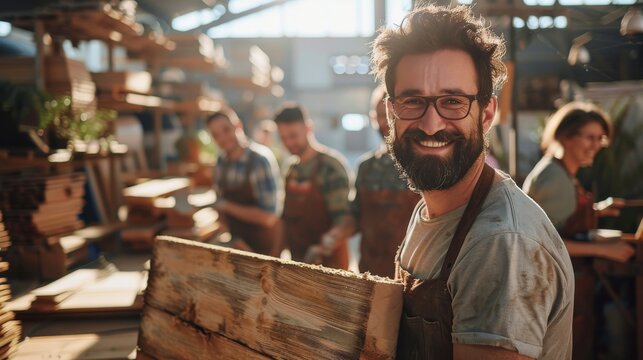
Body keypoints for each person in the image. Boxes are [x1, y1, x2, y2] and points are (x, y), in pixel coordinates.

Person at [371, 5, 574, 359]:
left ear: (487, 114)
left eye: (453, 102)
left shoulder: (499, 244)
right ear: (391, 113)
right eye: (413, 101)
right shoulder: (432, 207)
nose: (431, 124)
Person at [522, 101, 635, 359]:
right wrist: (606, 250)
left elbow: (559, 218)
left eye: (600, 139)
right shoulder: (554, 178)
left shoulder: (559, 171)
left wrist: (597, 210)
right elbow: (542, 242)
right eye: (590, 137)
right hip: (553, 292)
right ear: (565, 136)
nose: (596, 146)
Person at [324, 85, 420, 278]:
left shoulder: (422, 164)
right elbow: (355, 215)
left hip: (415, 276)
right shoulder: (366, 167)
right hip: (372, 273)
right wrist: (335, 236)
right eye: (380, 115)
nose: (385, 121)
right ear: (372, 118)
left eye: (391, 115)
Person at [274, 103, 352, 270]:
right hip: (298, 261)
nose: (289, 142)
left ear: (308, 128)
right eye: (283, 137)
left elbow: (344, 220)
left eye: (293, 135)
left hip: (330, 265)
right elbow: (285, 218)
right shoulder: (291, 170)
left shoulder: (331, 167)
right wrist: (274, 257)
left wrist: (324, 246)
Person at [206, 109, 283, 257]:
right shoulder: (221, 163)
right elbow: (221, 210)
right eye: (216, 135)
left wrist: (227, 206)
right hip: (237, 247)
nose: (222, 138)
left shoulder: (260, 160)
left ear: (238, 125)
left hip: (264, 252)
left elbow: (269, 217)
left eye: (226, 130)